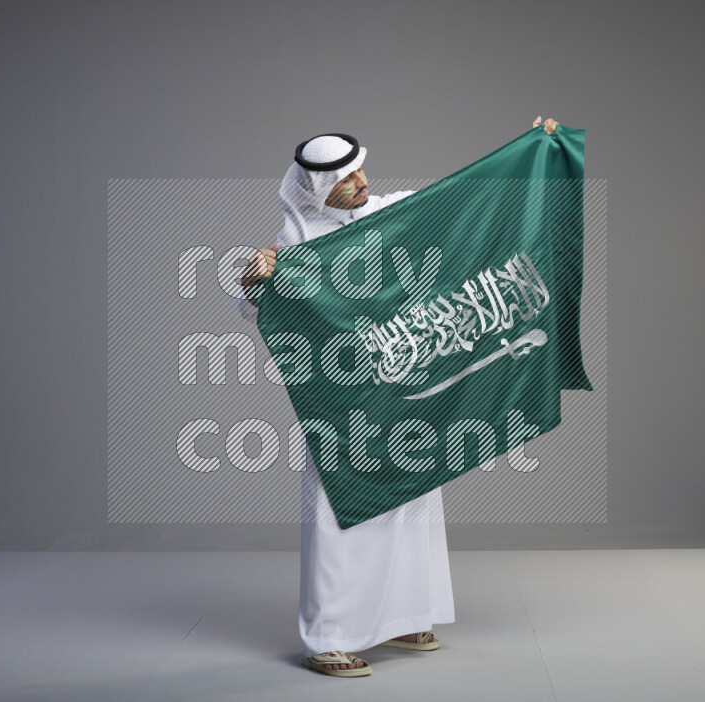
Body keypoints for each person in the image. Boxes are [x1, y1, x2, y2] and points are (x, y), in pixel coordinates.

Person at [236, 118, 559, 678]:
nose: (360, 181)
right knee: (341, 513)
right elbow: (260, 309)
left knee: (412, 498)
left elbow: (466, 199)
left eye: (360, 169)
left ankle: (409, 617)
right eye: (345, 178)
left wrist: (532, 148)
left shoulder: (389, 212)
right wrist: (254, 279)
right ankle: (327, 637)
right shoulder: (296, 243)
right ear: (316, 188)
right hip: (344, 401)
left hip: (405, 384)